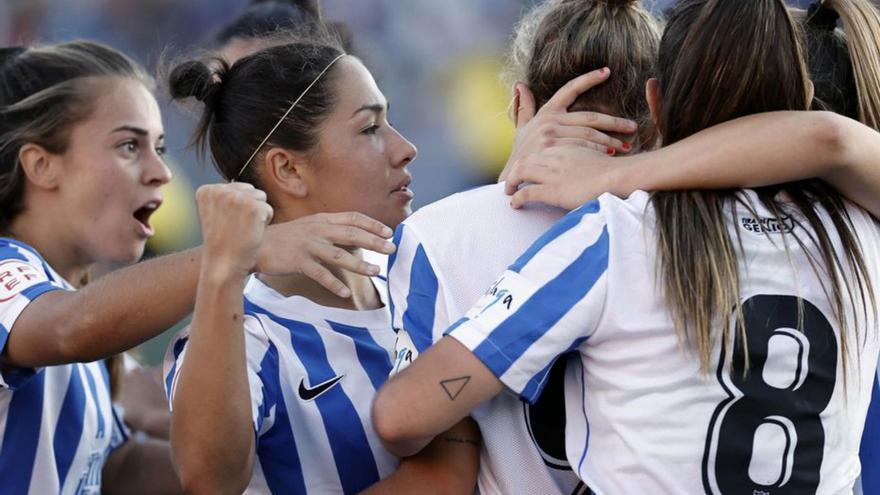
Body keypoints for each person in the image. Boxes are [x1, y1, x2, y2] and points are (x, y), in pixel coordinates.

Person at [374, 0, 880, 492]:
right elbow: (833, 142)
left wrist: (600, 179)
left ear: (658, 102)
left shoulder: (618, 233)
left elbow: (404, 418)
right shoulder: (861, 229)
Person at [0, 39, 390, 494]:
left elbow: (117, 468)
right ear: (41, 165)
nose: (162, 173)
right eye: (129, 145)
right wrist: (238, 253)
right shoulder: (34, 292)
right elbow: (70, 327)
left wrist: (290, 459)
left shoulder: (79, 313)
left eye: (160, 147)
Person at [164, 30, 480, 494]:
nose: (404, 147)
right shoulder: (249, 338)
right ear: (289, 170)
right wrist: (223, 270)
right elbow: (208, 480)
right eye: (370, 128)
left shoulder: (425, 274)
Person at [382, 1, 655, 493]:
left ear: (519, 103)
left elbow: (409, 435)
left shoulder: (438, 232)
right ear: (657, 105)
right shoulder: (695, 225)